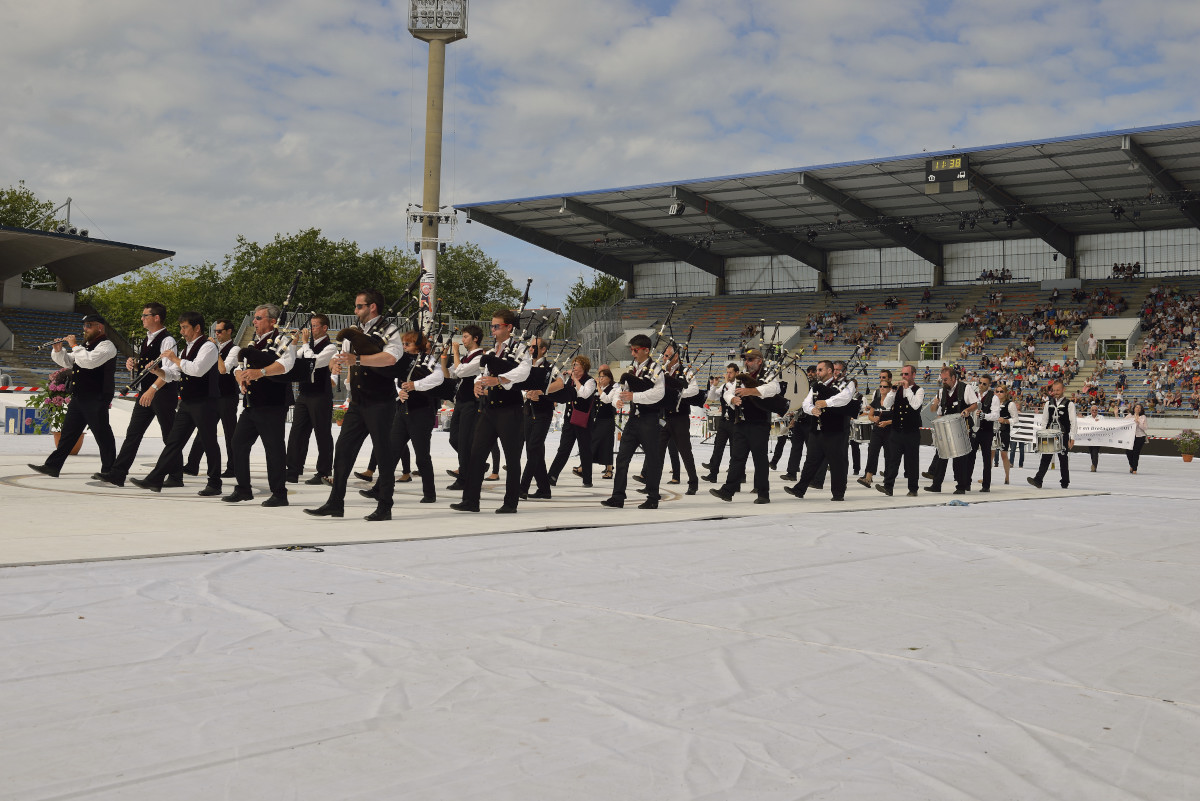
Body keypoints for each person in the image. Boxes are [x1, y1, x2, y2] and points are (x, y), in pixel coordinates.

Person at [306, 291, 402, 519]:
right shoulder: (354, 331)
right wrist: (334, 363)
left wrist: (358, 360)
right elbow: (342, 355)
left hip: (380, 402)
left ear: (373, 307)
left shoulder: (390, 331)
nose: (355, 310)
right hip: (358, 403)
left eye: (360, 306)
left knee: (383, 454)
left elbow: (390, 359)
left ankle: (385, 506)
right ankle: (335, 503)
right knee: (343, 451)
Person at [131, 312, 222, 496]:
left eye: (185, 327)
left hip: (205, 402)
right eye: (181, 327)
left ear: (197, 328)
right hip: (188, 402)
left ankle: (215, 483)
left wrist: (174, 359)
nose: (181, 331)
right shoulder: (186, 349)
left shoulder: (208, 347)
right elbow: (176, 374)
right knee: (174, 441)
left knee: (208, 441)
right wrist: (158, 371)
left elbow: (196, 370)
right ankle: (155, 478)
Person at [451, 308, 531, 514]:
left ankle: (510, 502)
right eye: (492, 326)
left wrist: (500, 380)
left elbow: (523, 372)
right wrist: (479, 384)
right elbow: (483, 373)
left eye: (497, 326)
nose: (493, 330)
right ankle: (470, 500)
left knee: (512, 458)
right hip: (489, 409)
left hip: (510, 410)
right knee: (476, 454)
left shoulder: (520, 348)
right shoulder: (491, 351)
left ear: (509, 327)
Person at [98, 303, 180, 488]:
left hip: (162, 393)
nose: (141, 318)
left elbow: (169, 370)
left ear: (156, 317)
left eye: (145, 315)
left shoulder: (167, 340)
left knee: (169, 435)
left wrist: (152, 390)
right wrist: (135, 365)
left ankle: (176, 476)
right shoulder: (147, 339)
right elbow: (150, 367)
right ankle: (118, 474)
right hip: (147, 392)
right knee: (133, 433)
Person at [29, 314, 117, 478]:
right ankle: (52, 466)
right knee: (68, 433)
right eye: (84, 325)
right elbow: (71, 362)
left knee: (102, 434)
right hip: (79, 396)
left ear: (100, 327)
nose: (85, 329)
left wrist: (75, 345)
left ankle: (110, 470)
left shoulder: (107, 346)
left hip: (96, 397)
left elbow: (89, 362)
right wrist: (58, 351)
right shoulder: (86, 346)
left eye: (89, 325)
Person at [225, 304, 297, 507]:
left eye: (258, 318)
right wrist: (240, 375)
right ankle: (243, 489)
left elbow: (286, 365)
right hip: (253, 403)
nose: (254, 322)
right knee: (238, 443)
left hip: (273, 403)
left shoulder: (283, 339)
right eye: (254, 318)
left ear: (272, 321)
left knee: (273, 449)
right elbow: (240, 367)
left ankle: (279, 493)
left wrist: (260, 373)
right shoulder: (254, 342)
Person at [370, 329, 443, 512]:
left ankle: (429, 492)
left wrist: (415, 385)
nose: (404, 347)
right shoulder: (402, 361)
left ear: (417, 345)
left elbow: (438, 377)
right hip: (403, 412)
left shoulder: (429, 360)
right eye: (403, 343)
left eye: (408, 344)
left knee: (422, 455)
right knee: (391, 453)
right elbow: (395, 379)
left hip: (421, 412)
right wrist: (399, 392)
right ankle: (379, 488)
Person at [601, 334, 666, 510]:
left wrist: (634, 396)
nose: (632, 353)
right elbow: (622, 388)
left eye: (635, 350)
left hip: (649, 419)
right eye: (631, 349)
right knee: (622, 458)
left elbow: (658, 394)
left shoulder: (656, 369)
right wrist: (617, 399)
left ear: (646, 350)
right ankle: (618, 496)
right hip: (633, 419)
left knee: (653, 459)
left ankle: (653, 497)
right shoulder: (633, 368)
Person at [711, 349, 783, 504]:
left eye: (750, 359)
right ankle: (728, 491)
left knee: (760, 460)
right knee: (737, 458)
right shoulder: (741, 376)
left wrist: (750, 390)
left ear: (759, 361)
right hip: (741, 423)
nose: (747, 362)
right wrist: (732, 400)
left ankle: (763, 494)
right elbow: (726, 391)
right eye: (746, 359)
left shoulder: (767, 375)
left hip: (759, 424)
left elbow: (774, 389)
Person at [785, 360, 854, 502]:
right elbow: (806, 403)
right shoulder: (816, 386)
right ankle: (800, 489)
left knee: (837, 463)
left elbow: (845, 399)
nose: (817, 373)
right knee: (811, 461)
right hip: (817, 430)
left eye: (820, 370)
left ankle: (838, 493)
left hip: (836, 431)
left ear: (829, 371)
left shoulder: (847, 384)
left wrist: (826, 403)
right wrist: (812, 410)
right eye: (817, 370)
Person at [183, 319, 239, 478]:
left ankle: (233, 467)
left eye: (220, 331)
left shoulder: (234, 349)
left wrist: (215, 351)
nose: (217, 334)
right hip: (213, 396)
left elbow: (223, 369)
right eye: (215, 331)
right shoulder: (209, 348)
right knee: (203, 430)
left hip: (227, 396)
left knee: (230, 432)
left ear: (229, 331)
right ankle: (192, 464)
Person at [285, 314, 337, 485]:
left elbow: (312, 361)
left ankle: (323, 472)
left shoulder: (331, 348)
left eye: (315, 326)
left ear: (324, 328)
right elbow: (293, 359)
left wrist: (305, 343)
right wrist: (294, 342)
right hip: (304, 394)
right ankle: (292, 469)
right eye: (311, 326)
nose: (312, 329)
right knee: (297, 432)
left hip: (320, 395)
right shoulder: (310, 345)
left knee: (322, 433)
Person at [441, 324, 485, 490]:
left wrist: (457, 353)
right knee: (455, 438)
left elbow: (460, 372)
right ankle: (474, 463)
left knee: (465, 440)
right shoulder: (467, 357)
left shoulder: (479, 357)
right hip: (460, 402)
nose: (463, 340)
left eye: (466, 337)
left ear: (475, 339)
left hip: (471, 403)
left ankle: (464, 476)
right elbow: (451, 375)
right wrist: (445, 360)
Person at [925, 366, 979, 495]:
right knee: (941, 456)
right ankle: (936, 485)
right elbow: (938, 412)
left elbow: (975, 404)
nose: (943, 382)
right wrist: (935, 408)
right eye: (942, 379)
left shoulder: (966, 388)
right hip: (946, 428)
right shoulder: (940, 392)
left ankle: (961, 486)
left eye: (946, 379)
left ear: (954, 378)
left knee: (960, 459)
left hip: (962, 426)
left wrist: (967, 411)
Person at [546, 355, 597, 487]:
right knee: (563, 449)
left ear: (583, 367)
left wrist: (575, 379)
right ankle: (552, 476)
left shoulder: (590, 381)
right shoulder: (570, 380)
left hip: (583, 420)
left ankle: (587, 479)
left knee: (585, 449)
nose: (573, 367)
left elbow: (585, 394)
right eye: (573, 364)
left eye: (576, 364)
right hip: (570, 419)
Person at [657, 343, 701, 495]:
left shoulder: (686, 371)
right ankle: (652, 483)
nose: (664, 358)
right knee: (658, 450)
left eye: (667, 356)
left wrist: (678, 394)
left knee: (685, 451)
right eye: (663, 355)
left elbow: (694, 390)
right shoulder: (661, 372)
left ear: (676, 356)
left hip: (680, 417)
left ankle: (693, 482)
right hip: (665, 417)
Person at [875, 364, 924, 497]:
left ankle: (913, 489)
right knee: (892, 460)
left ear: (913, 375)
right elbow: (886, 405)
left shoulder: (919, 390)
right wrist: (892, 391)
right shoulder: (897, 390)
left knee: (912, 461)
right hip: (896, 431)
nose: (903, 377)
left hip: (911, 431)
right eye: (902, 374)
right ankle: (888, 487)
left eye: (906, 374)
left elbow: (915, 405)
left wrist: (907, 389)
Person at [517, 337, 555, 500]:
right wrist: (527, 393)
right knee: (534, 450)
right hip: (528, 410)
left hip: (543, 412)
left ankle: (522, 487)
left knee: (533, 448)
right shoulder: (525, 366)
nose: (530, 349)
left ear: (543, 349)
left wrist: (541, 392)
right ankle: (544, 489)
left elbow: (559, 385)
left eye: (534, 347)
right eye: (530, 347)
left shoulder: (550, 367)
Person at [1028, 380, 1077, 489]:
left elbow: (1073, 422)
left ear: (1063, 389)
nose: (1056, 392)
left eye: (1058, 390)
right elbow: (1045, 421)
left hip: (1063, 435)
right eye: (1054, 390)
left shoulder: (1069, 404)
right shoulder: (1048, 403)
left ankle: (1065, 482)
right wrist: (1042, 435)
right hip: (1050, 435)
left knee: (1063, 459)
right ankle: (1038, 480)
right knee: (1045, 457)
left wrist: (1072, 437)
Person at [857, 370, 893, 488]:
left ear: (889, 388)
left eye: (885, 387)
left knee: (888, 455)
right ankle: (868, 477)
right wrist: (874, 419)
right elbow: (870, 415)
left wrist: (887, 422)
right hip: (877, 431)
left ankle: (888, 478)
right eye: (881, 386)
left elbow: (897, 418)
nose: (882, 388)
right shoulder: (876, 400)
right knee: (872, 453)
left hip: (889, 431)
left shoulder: (894, 401)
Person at [701, 364, 737, 482]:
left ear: (736, 373)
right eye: (727, 372)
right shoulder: (724, 386)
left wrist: (726, 383)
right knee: (718, 448)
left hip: (734, 422)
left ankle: (737, 475)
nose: (728, 375)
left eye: (730, 372)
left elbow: (730, 393)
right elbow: (712, 397)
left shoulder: (738, 385)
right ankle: (713, 474)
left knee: (734, 450)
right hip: (724, 421)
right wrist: (714, 385)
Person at [974, 375, 1000, 492]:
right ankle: (966, 482)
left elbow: (996, 415)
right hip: (973, 430)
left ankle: (986, 485)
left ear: (989, 385)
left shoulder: (994, 398)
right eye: (980, 383)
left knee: (986, 458)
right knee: (969, 457)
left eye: (984, 384)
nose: (981, 385)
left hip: (986, 431)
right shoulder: (973, 395)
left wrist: (985, 416)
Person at [993, 385, 1015, 485]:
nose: (999, 393)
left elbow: (1016, 419)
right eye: (997, 391)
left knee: (1003, 455)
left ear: (1005, 393)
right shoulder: (992, 403)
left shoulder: (1010, 404)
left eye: (1001, 391)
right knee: (990, 454)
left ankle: (1007, 477)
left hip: (1004, 431)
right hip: (993, 430)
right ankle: (986, 476)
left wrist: (1005, 420)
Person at [1126, 403, 1148, 474]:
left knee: (1136, 453)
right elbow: (1122, 422)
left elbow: (1145, 428)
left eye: (1139, 408)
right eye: (1136, 407)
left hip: (1140, 437)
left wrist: (1138, 422)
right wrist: (1116, 415)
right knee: (1128, 452)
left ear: (1141, 410)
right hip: (1130, 436)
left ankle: (1134, 469)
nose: (1137, 409)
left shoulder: (1143, 417)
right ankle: (1131, 465)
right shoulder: (1130, 415)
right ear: (1134, 408)